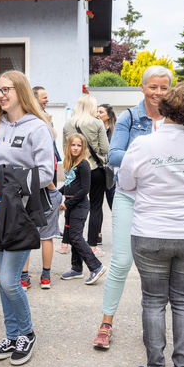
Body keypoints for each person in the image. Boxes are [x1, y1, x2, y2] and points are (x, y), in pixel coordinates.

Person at [119, 82, 184, 367]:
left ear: (168, 105)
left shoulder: (144, 144)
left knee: (153, 301)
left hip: (152, 233)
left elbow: (125, 183)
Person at [0, 70, 55, 366]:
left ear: (21, 91)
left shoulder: (37, 128)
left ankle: (26, 333)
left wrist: (2, 178)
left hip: (23, 210)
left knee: (8, 280)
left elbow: (46, 173)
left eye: (7, 90)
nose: (1, 95)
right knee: (2, 280)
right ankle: (12, 334)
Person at [92, 65, 172, 349]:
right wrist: (153, 159)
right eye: (153, 87)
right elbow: (113, 155)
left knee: (158, 268)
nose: (158, 93)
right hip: (128, 196)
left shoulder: (177, 118)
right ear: (142, 87)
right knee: (122, 261)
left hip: (160, 202)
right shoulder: (128, 117)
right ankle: (106, 323)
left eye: (164, 88)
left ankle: (153, 325)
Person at [19, 85, 62, 289]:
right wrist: (54, 191)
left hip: (30, 189)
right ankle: (45, 276)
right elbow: (50, 169)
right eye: (44, 98)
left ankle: (24, 276)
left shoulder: (29, 132)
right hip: (46, 190)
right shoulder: (47, 135)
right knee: (46, 235)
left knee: (29, 235)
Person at [63, 94, 109, 256]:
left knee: (72, 204)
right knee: (96, 207)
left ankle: (66, 242)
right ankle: (93, 245)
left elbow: (65, 148)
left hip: (75, 170)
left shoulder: (68, 123)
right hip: (95, 169)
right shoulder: (96, 123)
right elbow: (105, 147)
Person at [58, 133, 107, 285]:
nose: (75, 148)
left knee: (76, 236)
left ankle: (96, 266)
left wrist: (67, 204)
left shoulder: (84, 164)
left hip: (79, 205)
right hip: (71, 204)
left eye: (79, 145)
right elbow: (68, 184)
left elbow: (84, 189)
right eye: (73, 145)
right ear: (68, 146)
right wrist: (56, 194)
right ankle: (76, 268)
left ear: (83, 148)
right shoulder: (69, 163)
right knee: (71, 235)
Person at [96, 103, 117, 212]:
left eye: (101, 112)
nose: (97, 114)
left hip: (111, 172)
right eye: (97, 111)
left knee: (113, 203)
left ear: (108, 116)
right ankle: (97, 230)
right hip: (97, 170)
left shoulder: (115, 131)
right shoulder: (95, 129)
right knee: (96, 207)